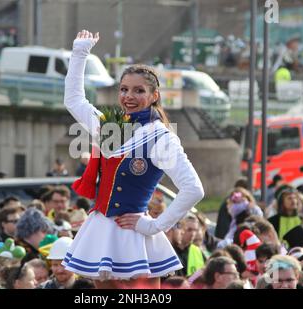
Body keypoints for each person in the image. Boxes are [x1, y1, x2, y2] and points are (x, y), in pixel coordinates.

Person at [62, 30, 204, 288]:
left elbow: (194, 189)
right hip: (101, 230)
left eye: (139, 91)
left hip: (133, 236)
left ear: (154, 96)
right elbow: (73, 100)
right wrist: (80, 52)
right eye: (124, 89)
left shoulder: (161, 137)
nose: (129, 96)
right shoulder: (110, 126)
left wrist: (155, 226)